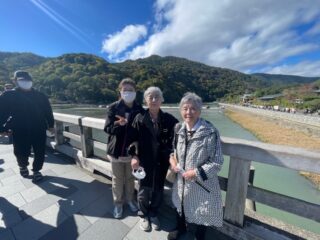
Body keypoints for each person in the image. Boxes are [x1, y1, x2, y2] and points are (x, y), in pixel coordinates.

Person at [167, 92, 224, 240]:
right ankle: (180, 229)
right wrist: (172, 161)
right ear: (181, 110)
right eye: (185, 108)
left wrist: (196, 173)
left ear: (199, 110)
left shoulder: (210, 131)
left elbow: (217, 162)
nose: (188, 112)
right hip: (181, 180)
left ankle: (199, 236)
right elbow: (173, 152)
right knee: (180, 205)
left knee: (202, 209)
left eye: (193, 108)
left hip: (201, 183)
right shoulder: (178, 129)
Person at [131, 86, 178, 232]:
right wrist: (133, 156)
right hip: (144, 161)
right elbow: (132, 140)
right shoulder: (139, 119)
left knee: (158, 189)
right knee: (143, 190)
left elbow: (181, 133)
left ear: (162, 100)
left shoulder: (169, 120)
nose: (153, 99)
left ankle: (153, 213)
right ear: (145, 100)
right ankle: (143, 214)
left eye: (157, 96)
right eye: (150, 97)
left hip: (161, 162)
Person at [0, 70, 54, 182]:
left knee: (40, 151)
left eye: (27, 80)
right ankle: (23, 165)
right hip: (19, 128)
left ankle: (36, 170)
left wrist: (51, 125)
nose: (25, 82)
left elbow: (48, 111)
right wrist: (2, 128)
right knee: (20, 151)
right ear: (14, 81)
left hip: (39, 127)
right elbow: (2, 112)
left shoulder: (40, 95)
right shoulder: (8, 95)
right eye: (21, 80)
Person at [104, 78, 144, 219]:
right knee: (117, 179)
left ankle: (130, 200)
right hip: (116, 151)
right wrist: (118, 125)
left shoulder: (139, 109)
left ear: (135, 92)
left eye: (131, 90)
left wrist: (138, 153)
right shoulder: (113, 107)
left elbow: (142, 132)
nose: (128, 92)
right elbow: (107, 128)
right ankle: (118, 203)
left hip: (132, 153)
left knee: (130, 179)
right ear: (120, 92)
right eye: (125, 90)